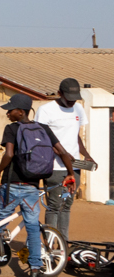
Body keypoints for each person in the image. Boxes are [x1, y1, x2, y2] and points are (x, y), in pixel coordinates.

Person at [0, 93, 77, 277]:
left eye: (10, 110)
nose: (7, 113)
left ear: (20, 112)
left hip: (11, 185)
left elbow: (9, 154)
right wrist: (70, 173)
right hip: (31, 187)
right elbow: (63, 153)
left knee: (1, 222)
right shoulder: (44, 129)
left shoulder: (12, 128)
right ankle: (35, 270)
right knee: (32, 228)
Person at [33, 78, 94, 240]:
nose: (72, 102)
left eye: (75, 98)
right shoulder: (46, 110)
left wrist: (86, 155)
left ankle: (63, 244)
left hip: (74, 168)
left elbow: (76, 136)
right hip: (54, 168)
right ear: (59, 94)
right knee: (54, 206)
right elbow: (42, 140)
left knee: (66, 206)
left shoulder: (78, 109)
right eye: (69, 98)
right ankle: (51, 244)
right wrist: (63, 156)